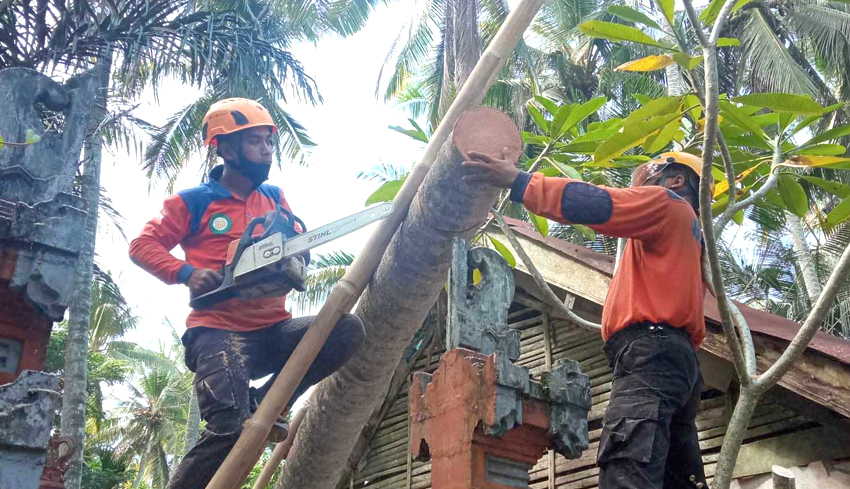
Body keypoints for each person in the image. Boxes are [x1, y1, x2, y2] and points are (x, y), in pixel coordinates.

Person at [129, 98, 365, 489]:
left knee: (346, 330)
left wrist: (296, 254)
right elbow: (142, 245)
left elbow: (294, 242)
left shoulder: (273, 197)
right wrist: (186, 272)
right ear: (226, 147)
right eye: (256, 142)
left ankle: (268, 402)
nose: (266, 150)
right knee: (228, 429)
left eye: (269, 143)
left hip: (274, 330)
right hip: (217, 332)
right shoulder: (192, 201)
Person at [463, 150, 710, 489]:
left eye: (651, 177)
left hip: (651, 355)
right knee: (675, 479)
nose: (644, 187)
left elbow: (598, 204)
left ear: (677, 179)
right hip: (678, 365)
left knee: (628, 469)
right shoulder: (694, 238)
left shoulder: (667, 204)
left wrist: (517, 181)